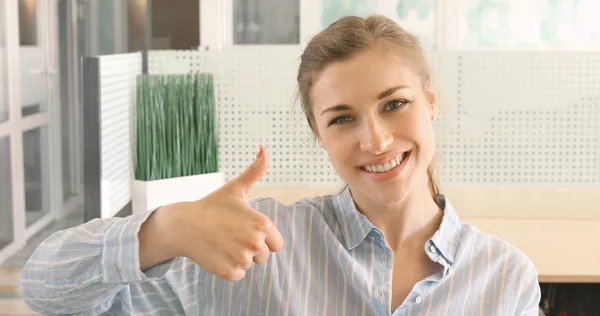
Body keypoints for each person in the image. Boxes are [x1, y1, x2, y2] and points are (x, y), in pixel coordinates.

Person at [21, 15, 541, 315]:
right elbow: (43, 287)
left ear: (430, 101)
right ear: (320, 134)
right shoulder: (258, 246)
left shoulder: (505, 277)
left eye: (394, 104)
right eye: (342, 119)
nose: (375, 140)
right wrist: (167, 228)